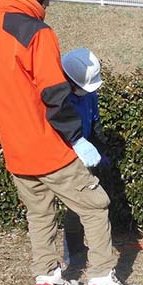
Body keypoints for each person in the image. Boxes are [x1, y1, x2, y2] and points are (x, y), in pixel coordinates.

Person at [0, 0, 140, 285]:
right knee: (95, 207)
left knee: (40, 213)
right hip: (50, 149)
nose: (49, 3)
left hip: (15, 152)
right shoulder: (37, 33)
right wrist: (77, 139)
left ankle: (47, 279)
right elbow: (55, 96)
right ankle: (102, 279)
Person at [60, 48, 110, 268]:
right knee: (75, 207)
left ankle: (79, 247)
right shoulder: (57, 97)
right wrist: (76, 146)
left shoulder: (89, 95)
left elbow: (95, 124)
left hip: (86, 154)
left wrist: (101, 150)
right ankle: (72, 253)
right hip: (66, 156)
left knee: (86, 205)